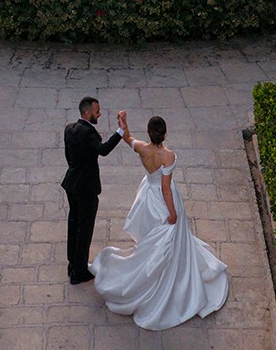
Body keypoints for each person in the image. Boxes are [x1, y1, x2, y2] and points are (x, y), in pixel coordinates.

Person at [92, 114, 229, 330]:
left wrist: (123, 124)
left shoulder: (142, 149)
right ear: (164, 133)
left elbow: (127, 138)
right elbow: (166, 189)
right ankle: (169, 279)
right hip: (162, 200)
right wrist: (173, 212)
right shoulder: (169, 156)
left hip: (147, 197)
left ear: (149, 132)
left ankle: (150, 268)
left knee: (150, 240)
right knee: (170, 238)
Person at [62, 96, 126, 284]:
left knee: (73, 223)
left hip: (71, 183)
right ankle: (79, 271)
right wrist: (121, 131)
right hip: (85, 188)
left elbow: (68, 156)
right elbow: (103, 149)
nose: (99, 114)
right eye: (97, 111)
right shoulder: (89, 134)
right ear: (88, 113)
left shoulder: (69, 129)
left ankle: (72, 263)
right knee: (85, 228)